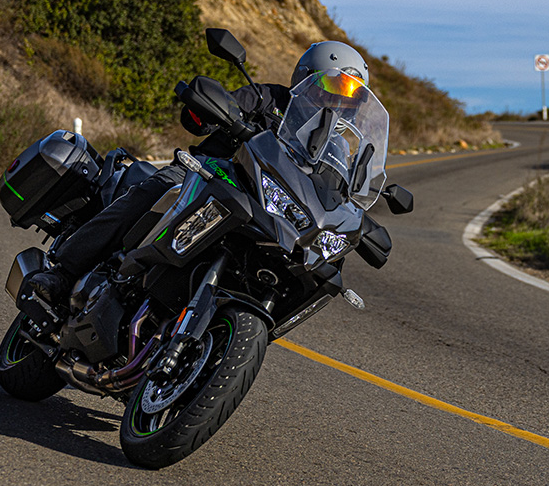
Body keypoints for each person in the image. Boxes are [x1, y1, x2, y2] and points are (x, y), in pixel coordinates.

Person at [21, 40, 370, 308]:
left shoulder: (337, 150)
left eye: (353, 97)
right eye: (337, 88)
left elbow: (334, 194)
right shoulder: (269, 98)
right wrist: (206, 110)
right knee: (155, 191)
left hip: (264, 208)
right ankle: (61, 273)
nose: (341, 102)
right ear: (309, 77)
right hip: (207, 175)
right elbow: (200, 120)